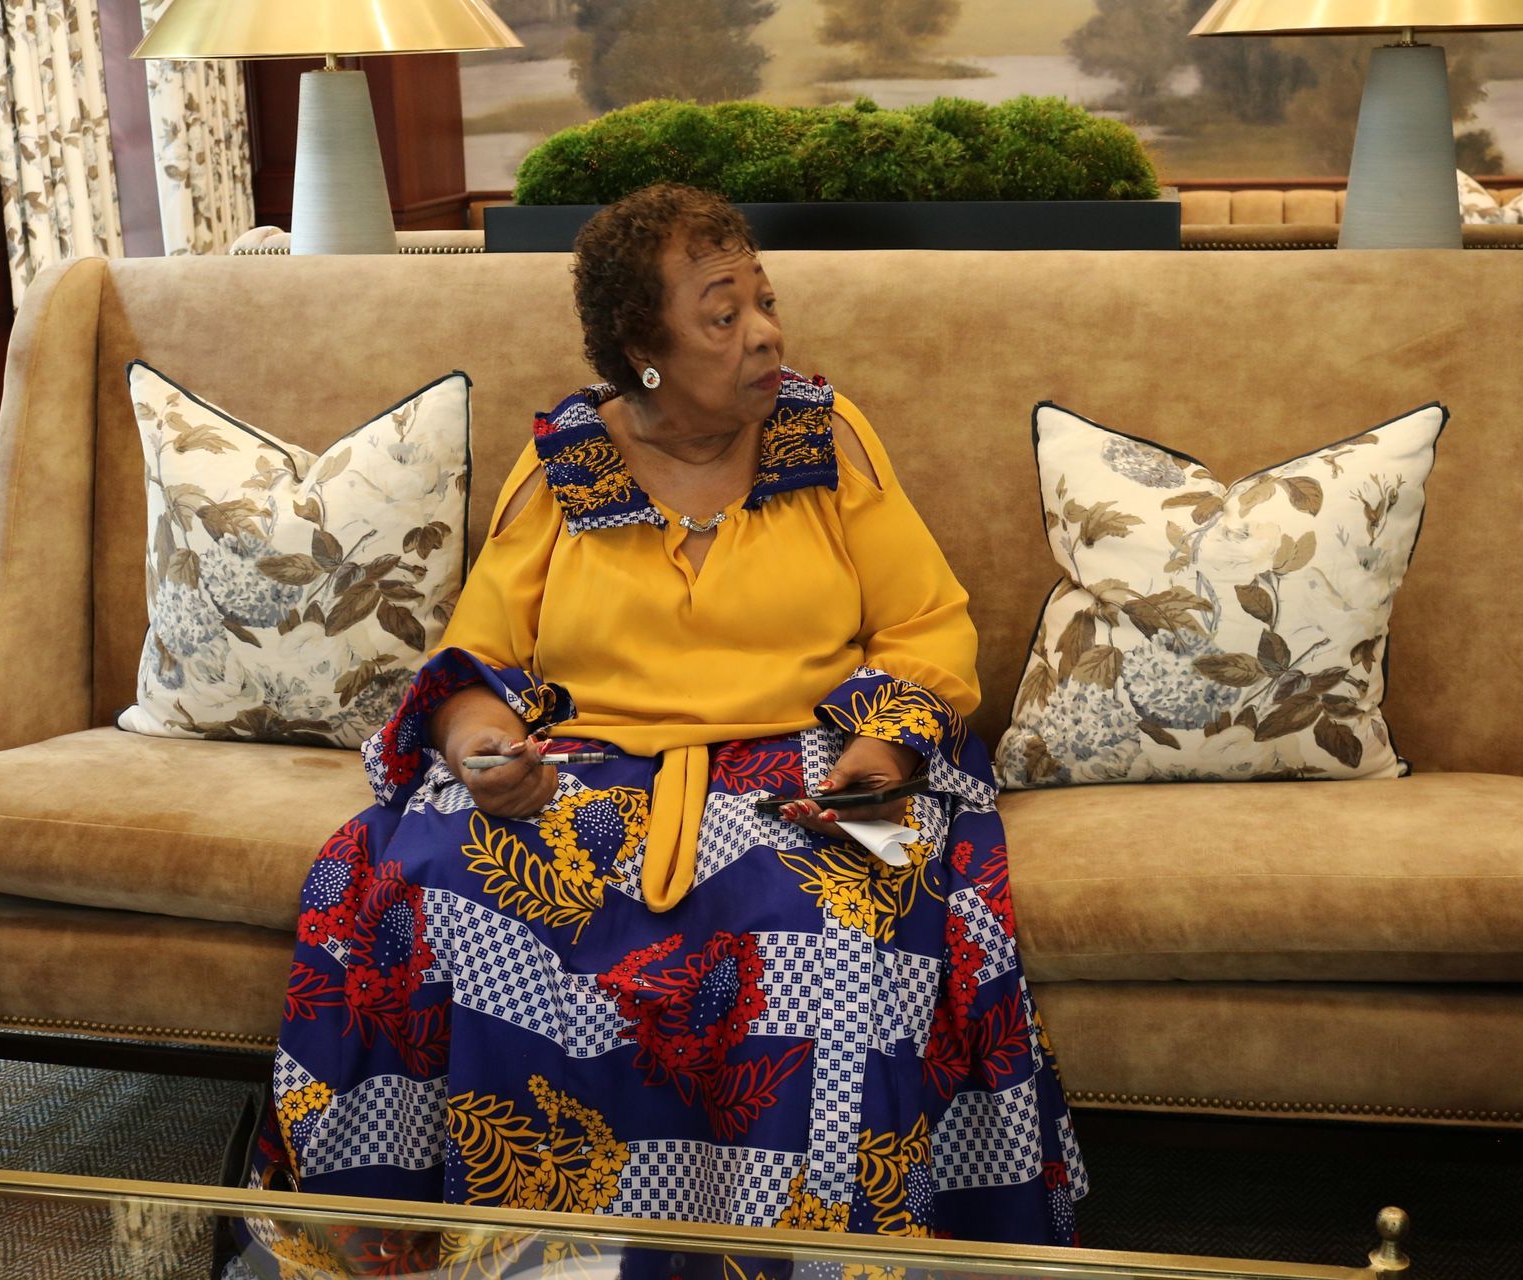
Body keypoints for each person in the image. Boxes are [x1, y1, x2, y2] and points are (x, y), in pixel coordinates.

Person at [242, 183, 1084, 1272]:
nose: (766, 332)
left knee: (839, 902)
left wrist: (873, 770)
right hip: (585, 768)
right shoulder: (566, 463)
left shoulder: (827, 438)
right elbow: (479, 660)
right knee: (428, 877)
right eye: (722, 314)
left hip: (815, 762)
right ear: (644, 350)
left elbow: (927, 628)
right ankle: (522, 1254)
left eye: (765, 302)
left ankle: (810, 1255)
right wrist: (483, 753)